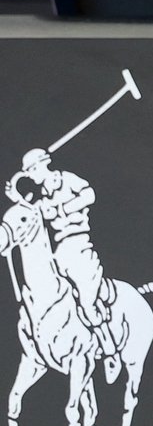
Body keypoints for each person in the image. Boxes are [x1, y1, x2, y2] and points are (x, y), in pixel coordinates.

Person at [18, 149, 115, 370]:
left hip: (80, 245)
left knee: (86, 300)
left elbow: (89, 194)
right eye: (28, 172)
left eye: (32, 170)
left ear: (43, 165)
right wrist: (18, 199)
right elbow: (32, 216)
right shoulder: (41, 197)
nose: (31, 175)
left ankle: (109, 350)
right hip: (58, 251)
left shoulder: (66, 179)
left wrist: (61, 209)